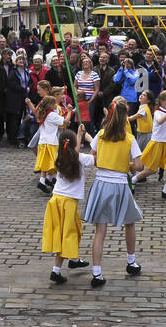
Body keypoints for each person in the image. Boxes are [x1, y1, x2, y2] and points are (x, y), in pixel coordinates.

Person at [81, 100, 144, 288]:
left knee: (100, 230)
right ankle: (131, 261)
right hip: (119, 184)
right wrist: (126, 164)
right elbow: (139, 166)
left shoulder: (100, 134)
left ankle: (97, 272)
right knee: (129, 222)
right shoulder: (129, 138)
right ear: (126, 117)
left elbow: (94, 157)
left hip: (101, 183)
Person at [41, 132, 93, 283]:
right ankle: (55, 271)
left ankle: (74, 259)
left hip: (55, 200)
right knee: (68, 235)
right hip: (68, 203)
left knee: (70, 232)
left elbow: (71, 148)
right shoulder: (80, 158)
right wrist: (89, 139)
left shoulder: (60, 157)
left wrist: (79, 135)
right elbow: (97, 157)